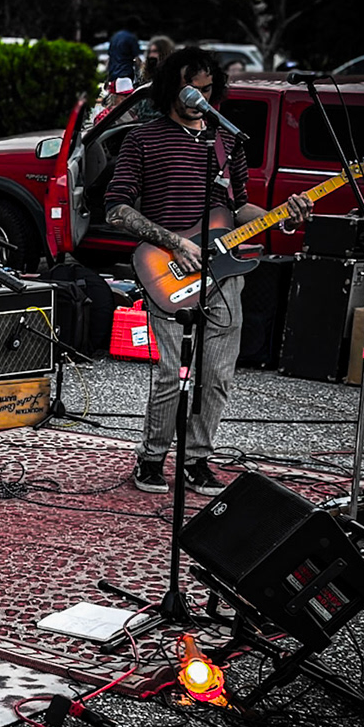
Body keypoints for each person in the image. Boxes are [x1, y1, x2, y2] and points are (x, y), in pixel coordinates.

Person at [105, 46, 313, 496]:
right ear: (170, 87)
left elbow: (237, 208)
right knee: (170, 373)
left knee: (216, 374)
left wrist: (282, 216)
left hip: (223, 271)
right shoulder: (143, 139)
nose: (197, 97)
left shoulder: (226, 141)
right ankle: (151, 458)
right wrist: (174, 242)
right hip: (167, 268)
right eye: (189, 88)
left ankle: (197, 459)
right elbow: (117, 209)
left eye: (204, 89)